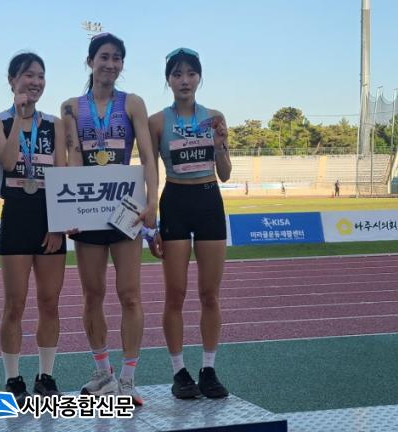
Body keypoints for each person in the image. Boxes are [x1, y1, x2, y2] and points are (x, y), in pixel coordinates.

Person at [60, 33, 158, 406]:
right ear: (90, 61)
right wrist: (70, 211)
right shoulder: (71, 107)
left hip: (126, 207)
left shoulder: (132, 103)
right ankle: (103, 372)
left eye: (117, 58)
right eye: (104, 57)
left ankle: (129, 379)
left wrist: (153, 200)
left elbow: (147, 156)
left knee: (130, 294)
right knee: (92, 294)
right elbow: (73, 156)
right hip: (88, 208)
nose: (111, 64)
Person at [148, 47, 232, 400]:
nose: (184, 80)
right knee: (176, 294)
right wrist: (150, 224)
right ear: (168, 79)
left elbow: (225, 174)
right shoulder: (157, 122)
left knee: (210, 294)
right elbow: (150, 173)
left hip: (209, 200)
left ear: (199, 77)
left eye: (191, 73)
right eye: (177, 74)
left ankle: (208, 369)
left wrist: (220, 145)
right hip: (175, 202)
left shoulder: (214, 117)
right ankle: (179, 371)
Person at [0, 52, 67, 404]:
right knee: (14, 304)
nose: (35, 82)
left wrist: (58, 225)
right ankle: (13, 378)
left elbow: (61, 175)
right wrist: (20, 118)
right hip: (16, 215)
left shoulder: (55, 125)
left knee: (49, 302)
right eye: (28, 75)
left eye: (40, 76)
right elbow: (7, 161)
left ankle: (45, 376)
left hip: (48, 218)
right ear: (12, 80)